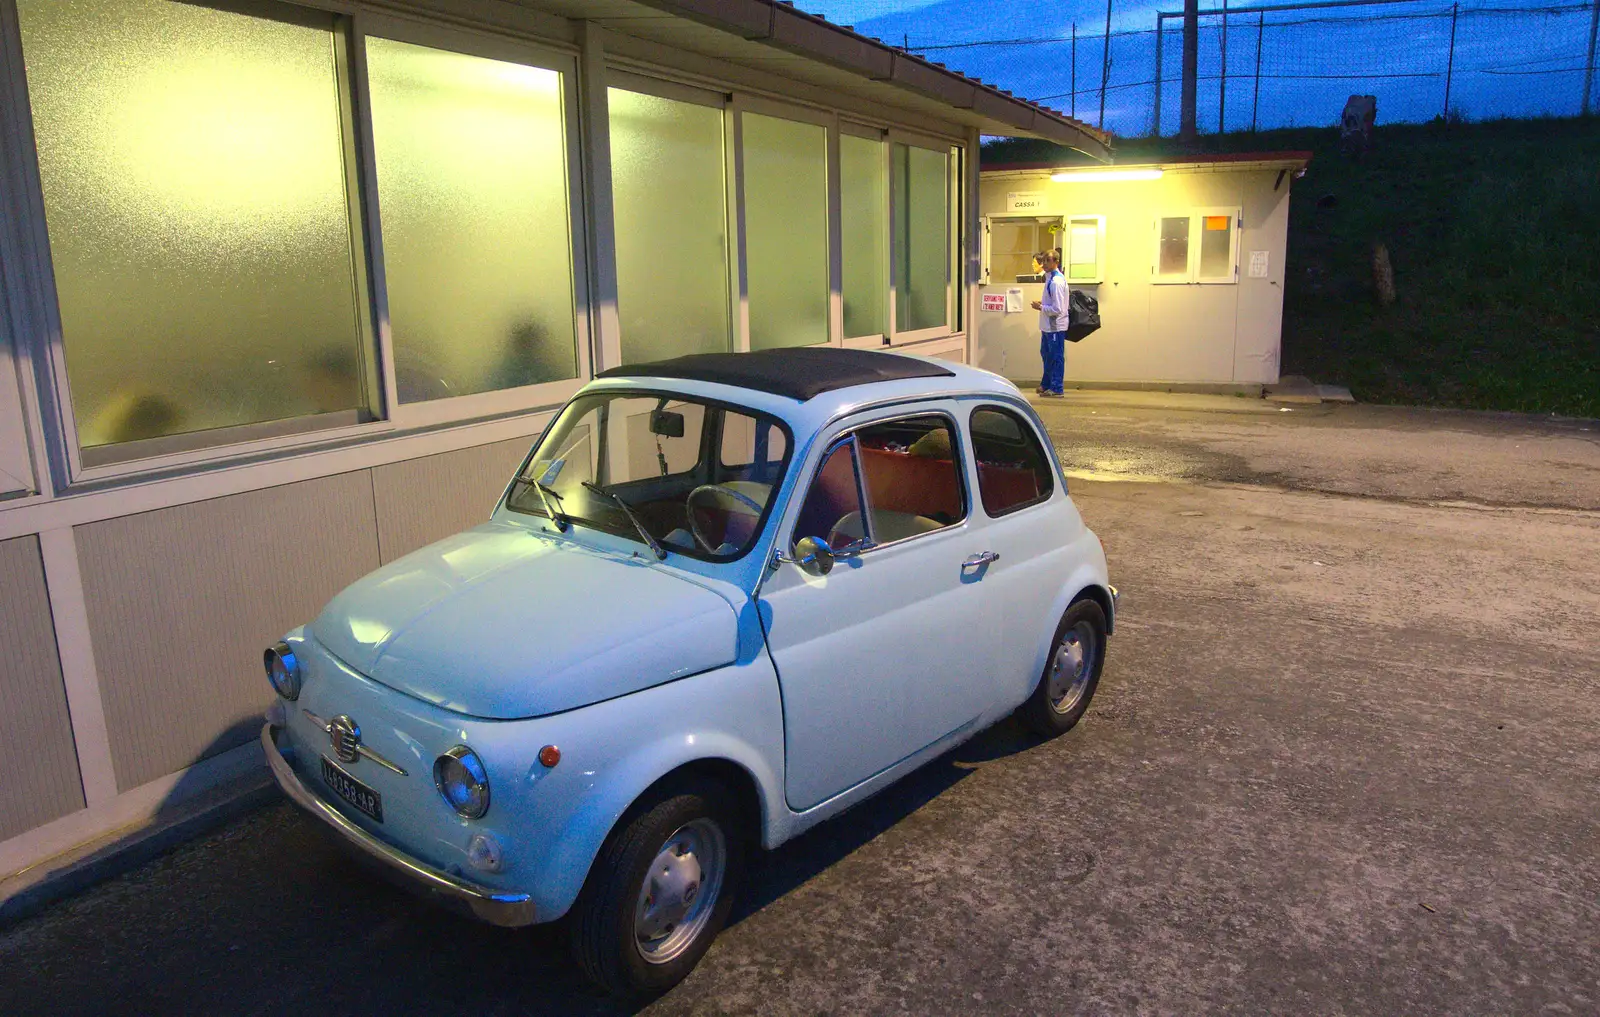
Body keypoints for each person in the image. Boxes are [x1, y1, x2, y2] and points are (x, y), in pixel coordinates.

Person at [1029, 249, 1069, 398]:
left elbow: (1058, 309)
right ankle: (1046, 384)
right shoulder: (1049, 279)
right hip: (1047, 326)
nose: (1044, 264)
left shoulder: (1056, 282)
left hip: (1055, 327)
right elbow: (1053, 303)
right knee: (1046, 355)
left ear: (1056, 262)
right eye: (1043, 261)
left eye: (1048, 261)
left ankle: (1057, 387)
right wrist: (1043, 304)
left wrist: (1041, 307)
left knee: (1055, 357)